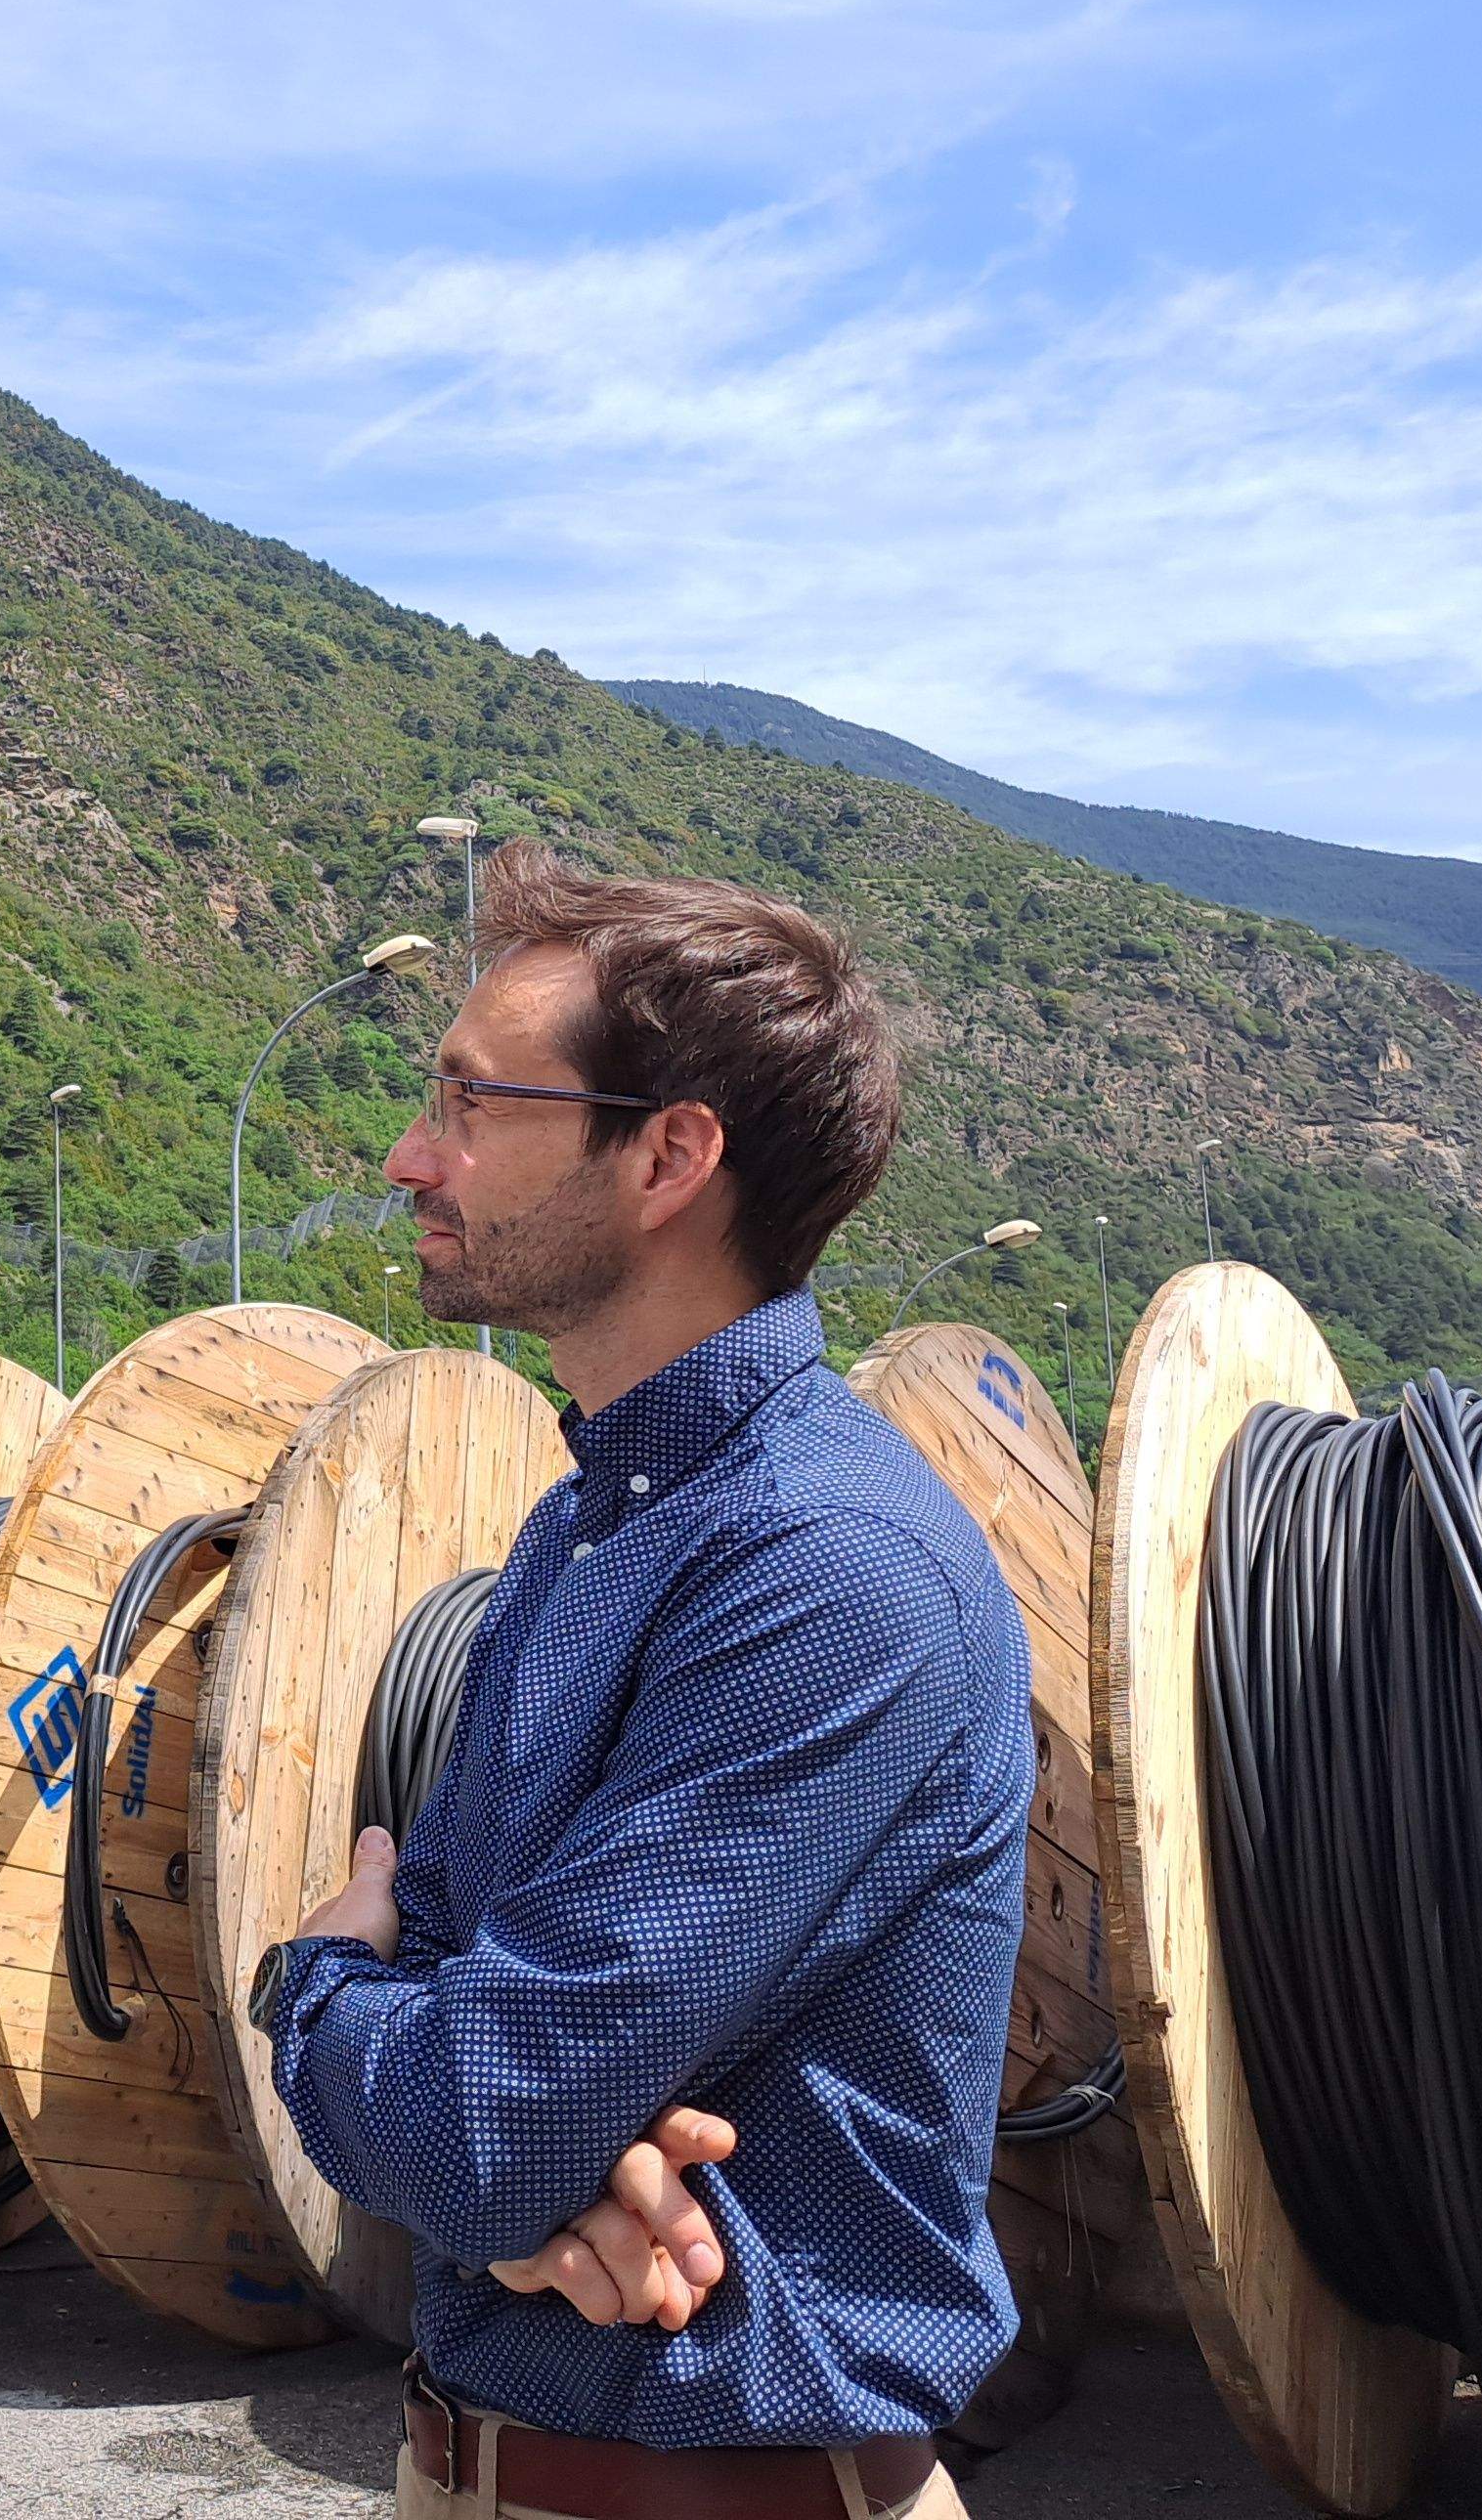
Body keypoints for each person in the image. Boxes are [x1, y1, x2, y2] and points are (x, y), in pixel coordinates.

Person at [251, 847, 1032, 2520]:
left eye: (471, 1102)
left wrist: (314, 1980)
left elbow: (475, 2116)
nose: (411, 1157)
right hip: (476, 2463)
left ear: (671, 1154)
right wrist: (520, 2158)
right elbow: (481, 2036)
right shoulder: (587, 1525)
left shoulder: (829, 1573)